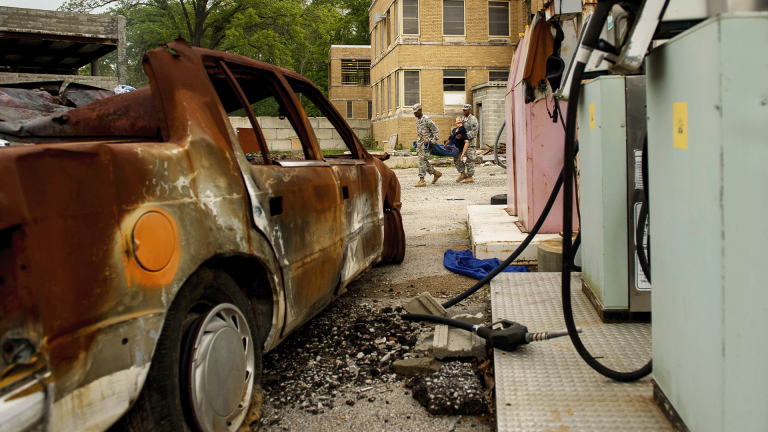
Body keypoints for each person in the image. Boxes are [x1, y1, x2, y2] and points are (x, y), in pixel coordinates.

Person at [413, 103, 442, 187]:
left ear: (420, 110)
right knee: (423, 161)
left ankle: (422, 180)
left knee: (422, 160)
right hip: (420, 144)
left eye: (416, 112)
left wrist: (432, 141)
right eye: (414, 112)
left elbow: (436, 131)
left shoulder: (427, 120)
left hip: (426, 144)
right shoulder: (417, 120)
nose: (415, 114)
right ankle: (436, 173)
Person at [456, 104, 478, 183]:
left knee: (469, 160)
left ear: (470, 110)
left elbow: (474, 132)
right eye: (463, 110)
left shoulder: (473, 119)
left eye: (466, 110)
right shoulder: (463, 119)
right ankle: (463, 173)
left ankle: (470, 176)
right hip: (463, 143)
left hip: (470, 143)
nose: (464, 111)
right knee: (458, 158)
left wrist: (464, 136)